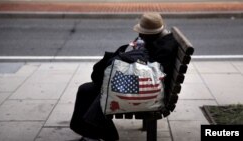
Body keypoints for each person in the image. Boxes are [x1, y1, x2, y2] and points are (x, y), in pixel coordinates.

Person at [70, 12, 178, 141]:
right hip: (142, 83)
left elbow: (154, 74)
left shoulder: (165, 47)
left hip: (148, 91)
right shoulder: (159, 40)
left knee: (104, 93)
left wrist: (131, 60)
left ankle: (100, 134)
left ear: (152, 33)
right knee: (85, 89)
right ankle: (89, 131)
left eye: (143, 33)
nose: (140, 35)